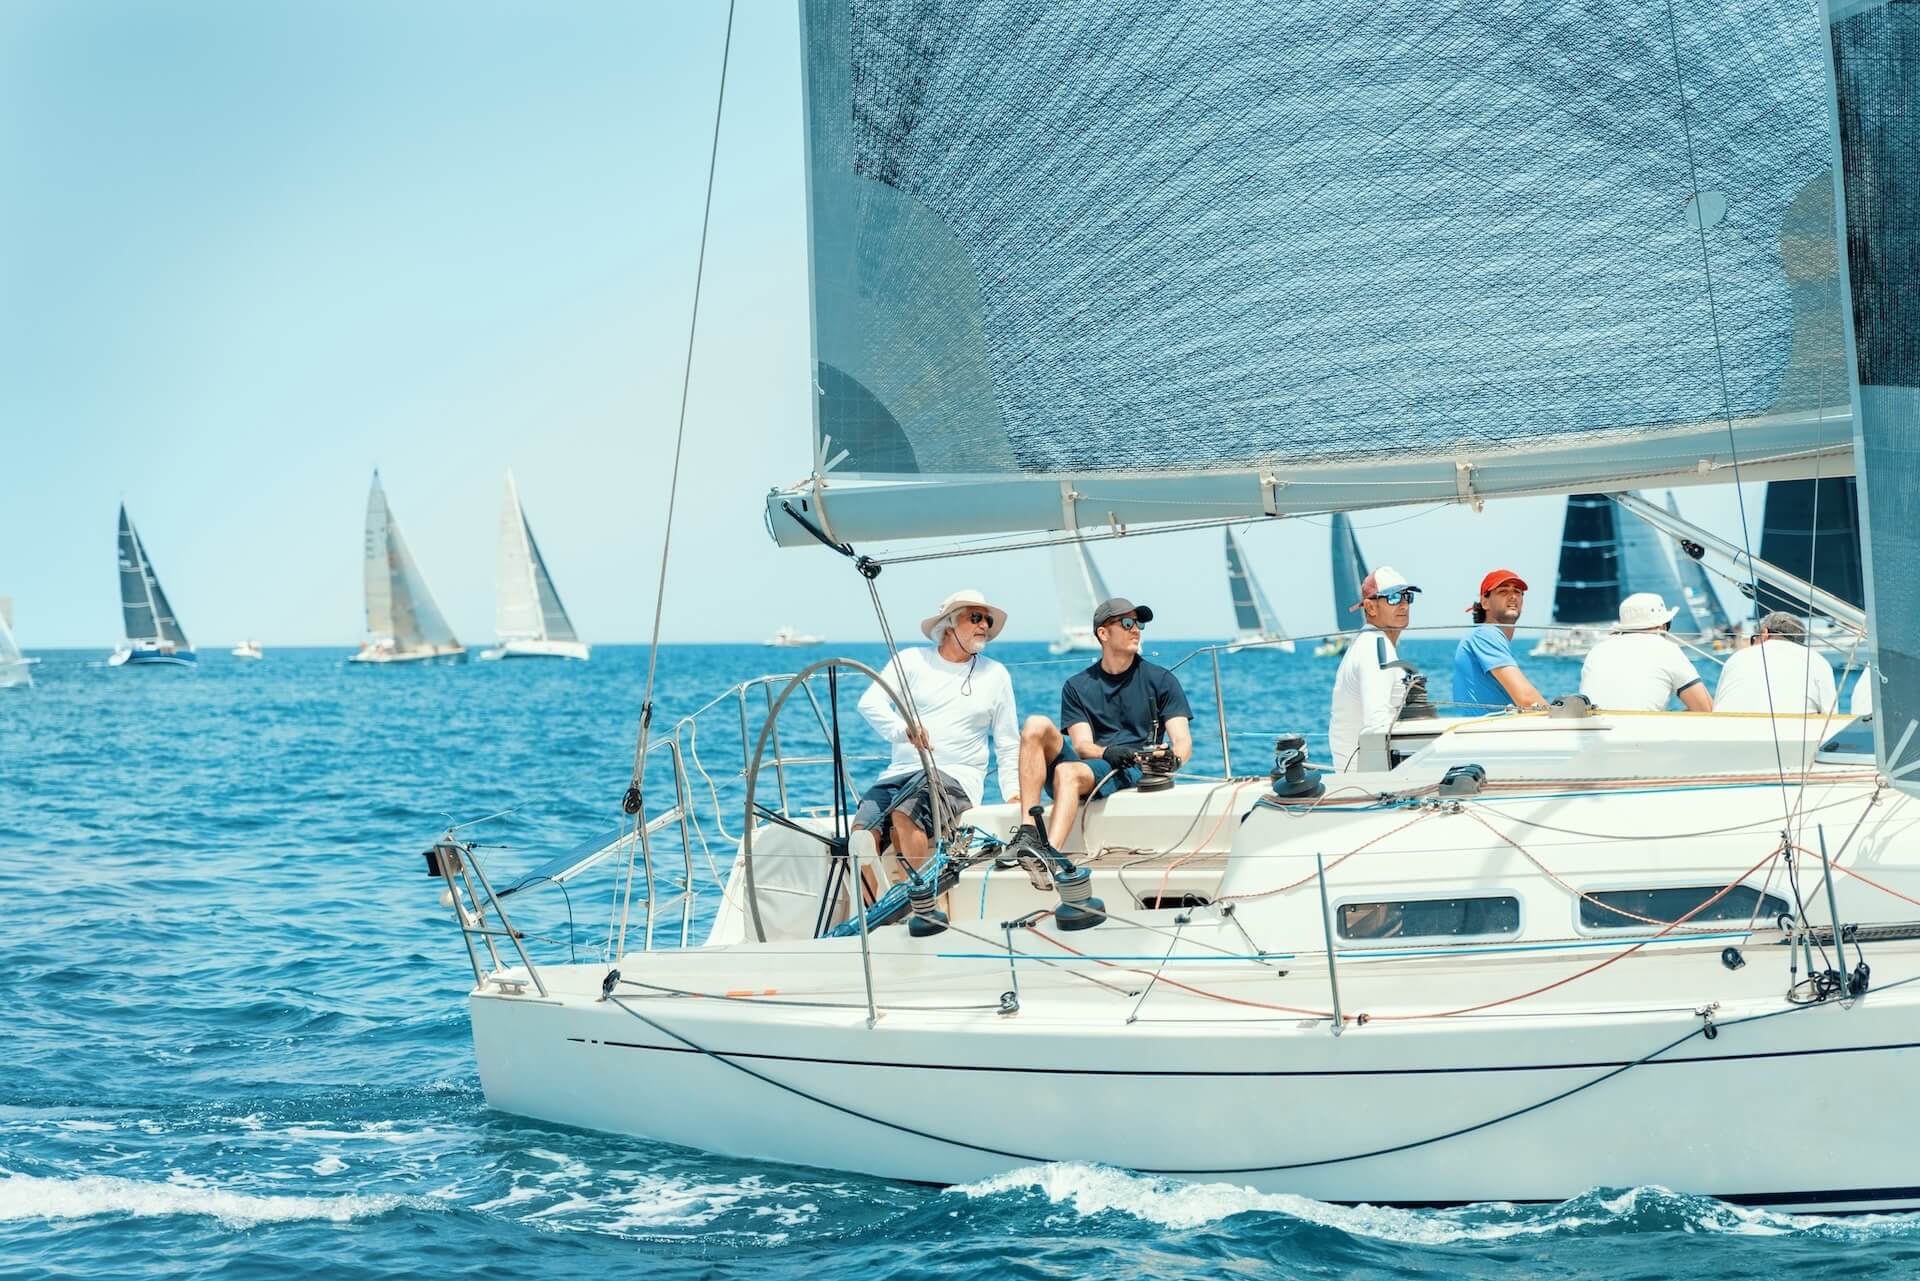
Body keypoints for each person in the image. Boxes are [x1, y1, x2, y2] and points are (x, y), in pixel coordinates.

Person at [853, 589, 1020, 883]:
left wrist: (1013, 793)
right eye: (976, 618)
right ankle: (875, 914)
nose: (985, 626)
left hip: (955, 777)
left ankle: (920, 898)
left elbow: (1007, 741)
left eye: (988, 621)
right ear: (950, 625)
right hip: (899, 773)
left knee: (905, 813)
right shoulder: (911, 660)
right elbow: (870, 702)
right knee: (861, 836)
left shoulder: (996, 674)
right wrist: (904, 731)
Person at [1007, 597, 1192, 855]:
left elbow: (1182, 741)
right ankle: (1028, 832)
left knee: (1067, 773)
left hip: (1131, 768)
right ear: (1103, 633)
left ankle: (1049, 854)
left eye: (1138, 623)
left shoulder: (1161, 680)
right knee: (1035, 724)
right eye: (1127, 623)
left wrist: (1172, 760)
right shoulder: (1077, 686)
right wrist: (1107, 752)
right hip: (1094, 762)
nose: (1136, 629)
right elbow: (1082, 746)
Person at [1328, 565, 1421, 771]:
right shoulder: (1375, 647)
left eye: (1407, 597)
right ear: (1370, 607)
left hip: (1358, 771)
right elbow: (1376, 724)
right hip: (1365, 779)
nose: (1404, 605)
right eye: (1393, 598)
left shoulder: (1369, 642)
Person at [1577, 593, 1712, 711]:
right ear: (1662, 626)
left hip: (1593, 732)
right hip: (1639, 734)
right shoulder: (1666, 649)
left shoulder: (1597, 650)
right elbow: (1706, 709)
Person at [1451, 569, 1547, 714]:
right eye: (1503, 591)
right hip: (1487, 733)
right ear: (1485, 602)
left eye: (1518, 591)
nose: (1513, 596)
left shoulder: (1484, 635)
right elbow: (1527, 700)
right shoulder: (1485, 634)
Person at [1714, 611, 1839, 715]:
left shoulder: (1737, 658)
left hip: (1729, 740)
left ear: (1764, 633)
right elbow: (1830, 720)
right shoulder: (1818, 661)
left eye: (1754, 638)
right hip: (1792, 740)